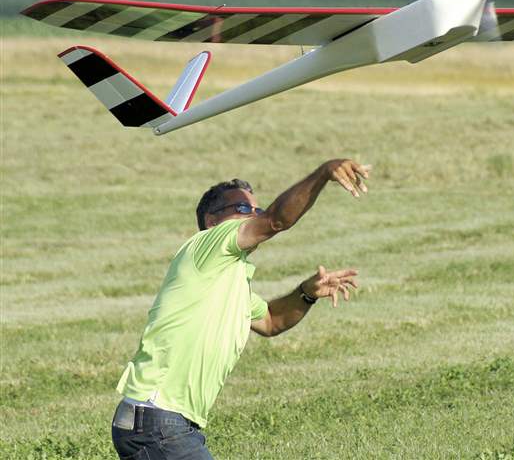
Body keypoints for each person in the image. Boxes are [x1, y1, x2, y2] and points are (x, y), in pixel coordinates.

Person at [111, 158, 371, 459]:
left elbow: (272, 321)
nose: (254, 215)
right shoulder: (209, 242)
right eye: (244, 209)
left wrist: (306, 294)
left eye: (255, 209)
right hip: (158, 419)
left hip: (163, 422)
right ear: (211, 220)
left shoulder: (229, 277)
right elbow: (277, 220)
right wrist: (325, 172)